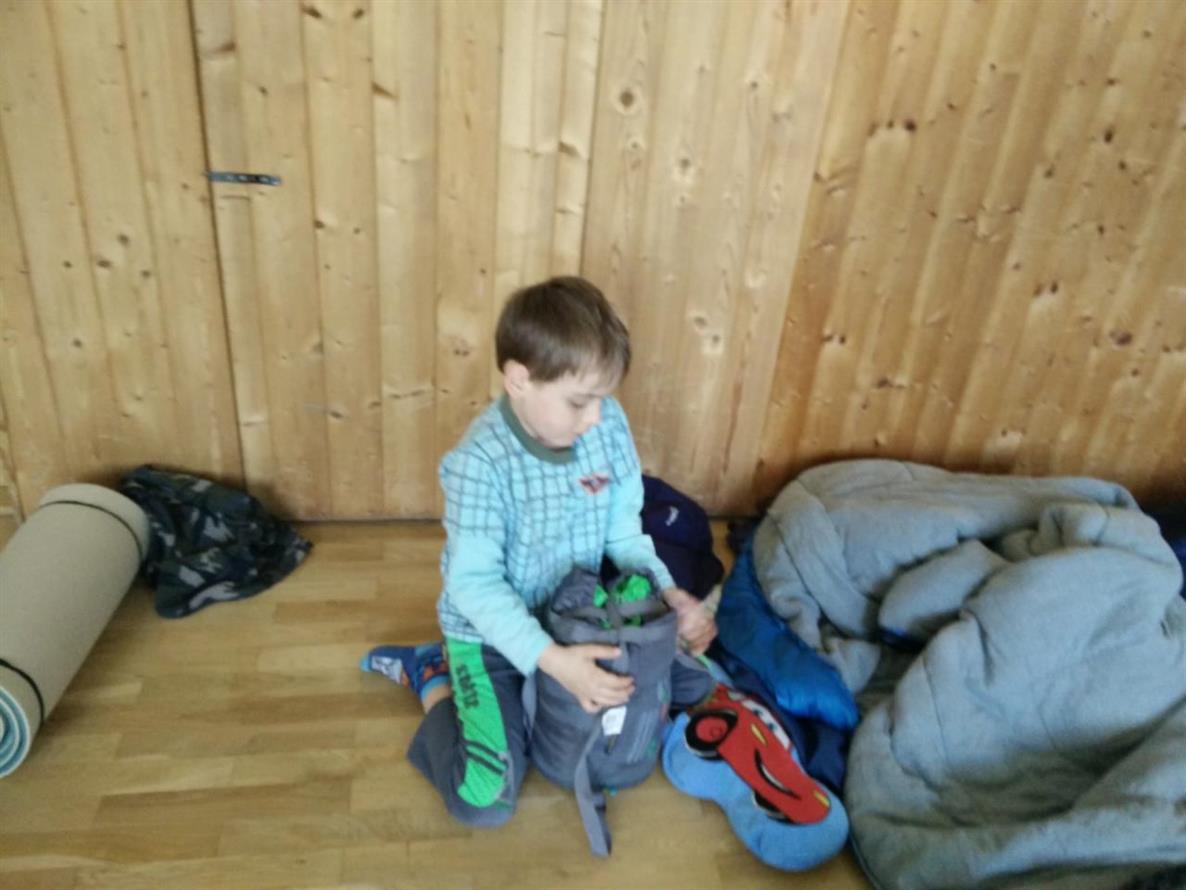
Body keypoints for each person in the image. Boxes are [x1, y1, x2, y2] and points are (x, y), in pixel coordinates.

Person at [361, 275, 717, 827]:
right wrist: (553, 663)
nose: (596, 417)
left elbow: (624, 536)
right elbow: (474, 586)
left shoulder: (606, 424)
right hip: (487, 635)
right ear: (519, 379)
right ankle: (433, 677)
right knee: (485, 801)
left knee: (700, 683)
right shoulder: (479, 464)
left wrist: (669, 594)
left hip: (574, 616)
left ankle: (534, 694)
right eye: (579, 401)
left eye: (602, 399)